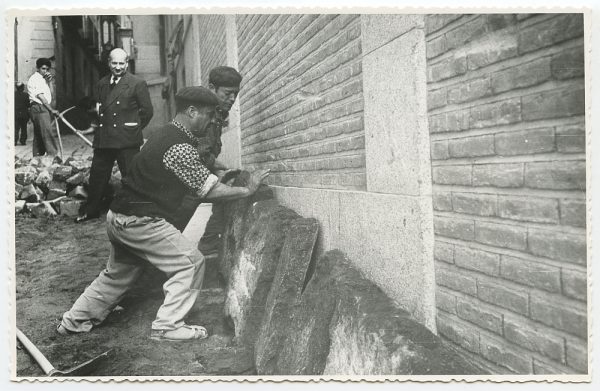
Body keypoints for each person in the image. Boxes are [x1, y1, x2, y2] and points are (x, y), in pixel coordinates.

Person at [58, 86, 269, 341]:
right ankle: (168, 326)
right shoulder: (179, 145)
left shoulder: (165, 134)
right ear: (192, 111)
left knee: (117, 275)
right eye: (209, 114)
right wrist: (247, 190)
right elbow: (209, 191)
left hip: (118, 217)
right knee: (190, 262)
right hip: (140, 222)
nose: (214, 120)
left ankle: (72, 321)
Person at [76, 48, 154, 223]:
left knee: (132, 177)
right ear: (109, 63)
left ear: (126, 63)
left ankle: (139, 213)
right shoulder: (102, 83)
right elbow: (101, 110)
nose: (118, 67)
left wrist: (132, 127)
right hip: (104, 139)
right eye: (114, 63)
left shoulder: (137, 83)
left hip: (126, 139)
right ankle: (92, 210)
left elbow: (147, 111)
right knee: (97, 176)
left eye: (121, 63)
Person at [196, 66, 243, 256]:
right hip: (181, 182)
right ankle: (207, 244)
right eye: (227, 93)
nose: (232, 99)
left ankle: (208, 243)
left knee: (227, 186)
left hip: (194, 175)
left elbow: (207, 155)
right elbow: (200, 155)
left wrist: (221, 169)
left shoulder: (217, 113)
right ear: (212, 88)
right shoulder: (204, 115)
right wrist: (218, 171)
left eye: (236, 94)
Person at [27, 58, 59, 157]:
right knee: (47, 133)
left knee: (39, 135)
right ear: (38, 68)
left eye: (47, 69)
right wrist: (51, 110)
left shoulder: (43, 80)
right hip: (39, 107)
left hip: (43, 107)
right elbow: (41, 97)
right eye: (43, 69)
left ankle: (37, 158)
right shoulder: (35, 79)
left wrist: (50, 82)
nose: (45, 71)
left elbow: (51, 96)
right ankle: (53, 155)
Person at [14, 82, 30, 146]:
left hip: (16, 114)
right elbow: (28, 105)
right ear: (22, 88)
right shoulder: (26, 95)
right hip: (24, 114)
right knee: (24, 128)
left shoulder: (13, 95)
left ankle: (14, 140)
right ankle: (23, 141)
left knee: (16, 128)